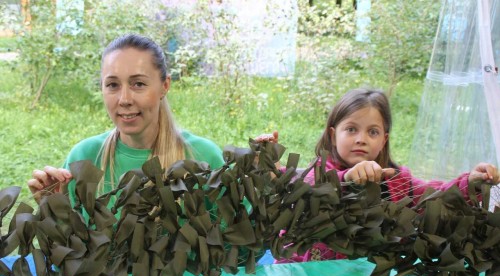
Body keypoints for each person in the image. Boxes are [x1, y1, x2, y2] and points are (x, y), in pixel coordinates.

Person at [256, 87, 499, 263]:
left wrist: (470, 183)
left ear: (384, 140)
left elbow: (434, 197)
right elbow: (295, 190)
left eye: (372, 132)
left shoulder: (397, 181)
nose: (361, 138)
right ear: (333, 135)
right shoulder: (316, 175)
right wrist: (265, 161)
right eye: (351, 129)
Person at [28, 34, 224, 217]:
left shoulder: (204, 158)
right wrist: (53, 209)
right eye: (113, 85)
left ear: (164, 86)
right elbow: (71, 247)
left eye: (138, 84)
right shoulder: (84, 158)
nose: (124, 99)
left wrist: (255, 184)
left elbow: (237, 244)